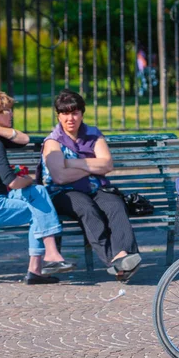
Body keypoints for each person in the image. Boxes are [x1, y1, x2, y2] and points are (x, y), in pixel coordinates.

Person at [0, 89, 74, 285]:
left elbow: (24, 139)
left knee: (38, 192)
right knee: (37, 209)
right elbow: (12, 182)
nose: (11, 114)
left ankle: (41, 265)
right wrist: (30, 180)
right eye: (6, 110)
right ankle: (46, 260)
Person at [39, 89, 142, 282]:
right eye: (65, 113)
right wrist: (92, 166)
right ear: (59, 115)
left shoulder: (93, 135)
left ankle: (124, 256)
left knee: (115, 205)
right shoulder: (52, 142)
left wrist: (72, 163)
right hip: (64, 193)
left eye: (75, 112)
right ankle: (114, 262)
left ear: (82, 113)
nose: (71, 118)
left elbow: (107, 165)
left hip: (95, 189)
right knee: (86, 208)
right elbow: (60, 177)